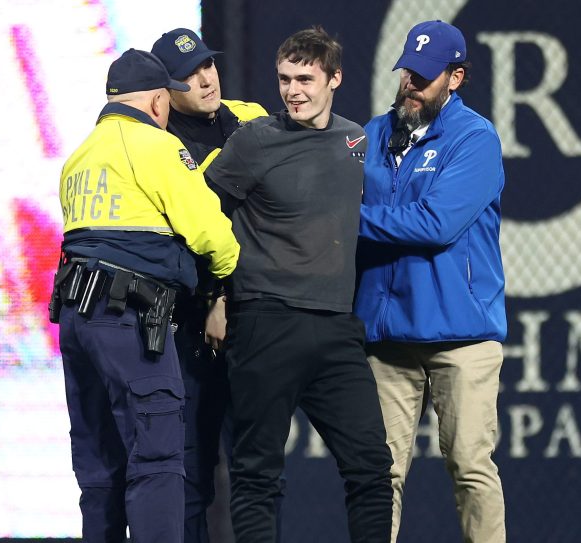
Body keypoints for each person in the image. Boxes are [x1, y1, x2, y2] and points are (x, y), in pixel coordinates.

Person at [205, 26, 393, 543]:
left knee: (373, 469)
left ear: (334, 78)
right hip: (265, 322)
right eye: (285, 79)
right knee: (257, 473)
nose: (293, 91)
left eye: (305, 79)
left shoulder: (357, 141)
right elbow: (203, 219)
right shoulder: (254, 141)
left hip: (336, 327)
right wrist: (216, 297)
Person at [51, 48, 240, 543]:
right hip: (128, 317)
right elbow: (211, 234)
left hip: (75, 319)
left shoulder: (80, 156)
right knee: (157, 458)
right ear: (159, 102)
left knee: (99, 465)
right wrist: (222, 278)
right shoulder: (157, 147)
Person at [354, 20, 507, 543]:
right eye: (406, 73)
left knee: (469, 466)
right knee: (380, 474)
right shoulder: (372, 135)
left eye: (424, 75)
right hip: (387, 335)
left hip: (460, 334)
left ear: (456, 77)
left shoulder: (475, 138)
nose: (411, 84)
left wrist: (348, 219)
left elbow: (435, 224)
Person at [150, 28, 267, 543]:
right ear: (164, 88)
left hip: (248, 315)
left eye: (207, 65)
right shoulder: (156, 144)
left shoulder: (251, 119)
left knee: (256, 469)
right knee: (191, 469)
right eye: (189, 74)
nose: (204, 79)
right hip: (186, 322)